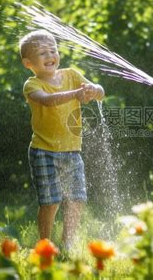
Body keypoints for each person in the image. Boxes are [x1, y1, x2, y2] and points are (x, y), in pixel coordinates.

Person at [20, 30, 104, 252]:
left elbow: (100, 93)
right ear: (28, 63)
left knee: (76, 198)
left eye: (53, 50)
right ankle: (45, 244)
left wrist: (95, 89)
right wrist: (75, 94)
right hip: (43, 151)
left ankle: (68, 242)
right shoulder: (32, 84)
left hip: (72, 150)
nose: (50, 55)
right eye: (42, 53)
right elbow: (47, 101)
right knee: (50, 201)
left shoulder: (72, 75)